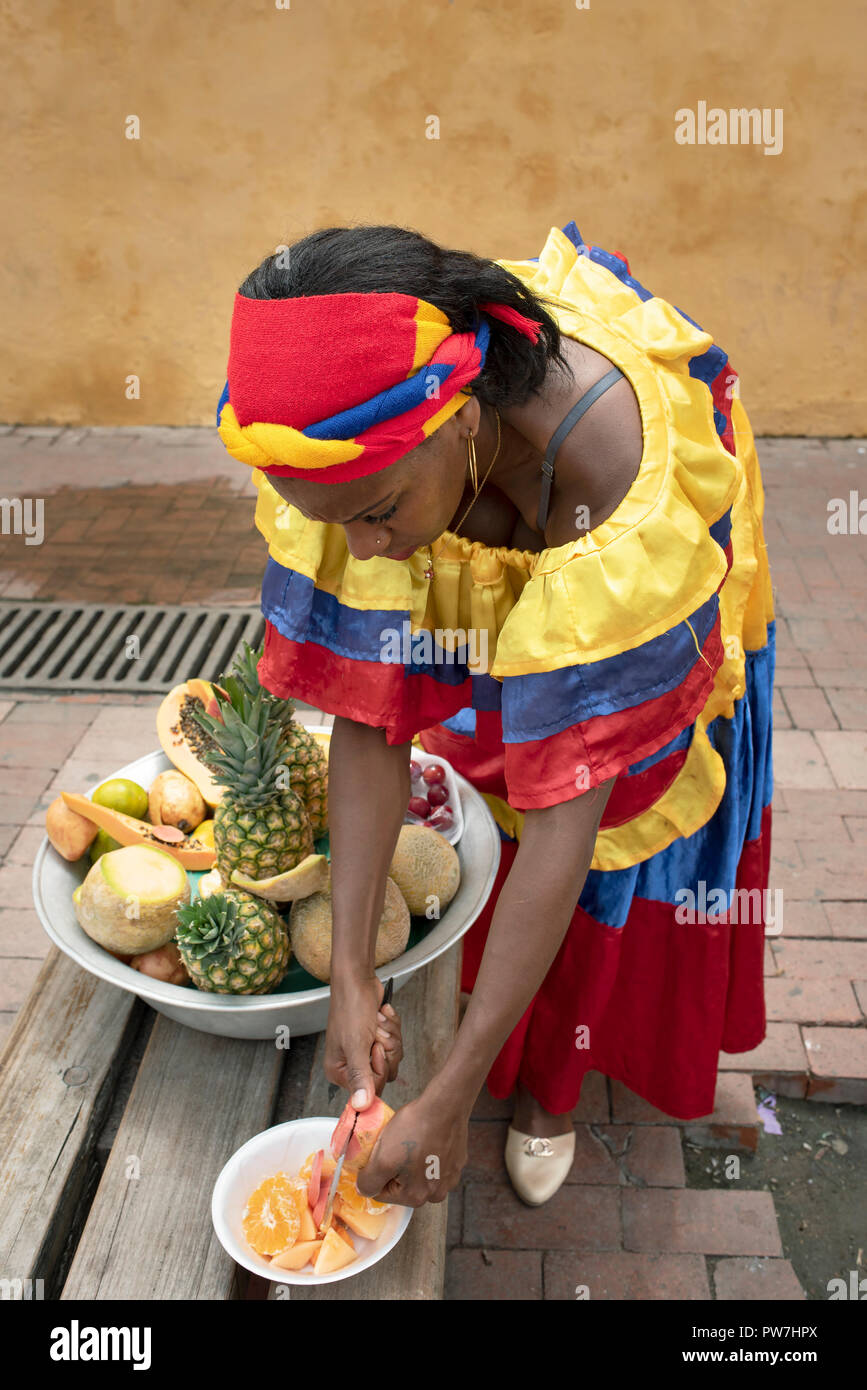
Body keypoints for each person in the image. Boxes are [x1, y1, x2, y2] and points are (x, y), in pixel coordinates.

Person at [215, 220, 776, 1208]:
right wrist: (348, 970)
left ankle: (547, 1091)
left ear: (465, 419)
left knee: (594, 817)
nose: (367, 547)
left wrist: (453, 1097)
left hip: (635, 545)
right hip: (497, 483)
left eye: (378, 511)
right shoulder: (370, 469)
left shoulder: (611, 496)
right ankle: (502, 1038)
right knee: (475, 760)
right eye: (332, 522)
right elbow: (371, 711)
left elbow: (571, 814)